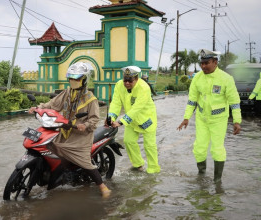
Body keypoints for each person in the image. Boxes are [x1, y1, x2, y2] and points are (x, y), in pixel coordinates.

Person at [28, 61, 111, 198]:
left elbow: (95, 119)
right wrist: (39, 108)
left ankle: (103, 187)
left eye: (77, 78)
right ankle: (60, 174)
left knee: (84, 161)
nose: (73, 81)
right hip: (65, 131)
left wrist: (85, 125)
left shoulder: (91, 99)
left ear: (84, 80)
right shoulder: (67, 93)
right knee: (49, 146)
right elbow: (52, 104)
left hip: (81, 136)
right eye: (71, 78)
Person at [177, 49, 242, 183]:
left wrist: (237, 121)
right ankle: (201, 174)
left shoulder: (226, 79)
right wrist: (186, 118)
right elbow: (192, 100)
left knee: (217, 149)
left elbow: (234, 102)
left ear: (215, 62)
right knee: (199, 148)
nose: (203, 66)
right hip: (202, 119)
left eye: (207, 63)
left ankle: (217, 180)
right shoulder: (197, 78)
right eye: (202, 63)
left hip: (219, 120)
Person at [107, 66, 161, 174]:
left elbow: (137, 108)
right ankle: (138, 164)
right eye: (125, 80)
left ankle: (153, 170)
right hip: (131, 120)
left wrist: (121, 122)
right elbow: (116, 103)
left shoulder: (144, 88)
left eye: (130, 80)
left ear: (136, 79)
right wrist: (111, 118)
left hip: (146, 119)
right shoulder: (119, 85)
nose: (127, 83)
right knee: (128, 141)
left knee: (149, 146)